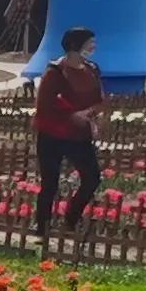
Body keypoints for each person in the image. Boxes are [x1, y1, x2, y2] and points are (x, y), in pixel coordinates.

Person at [33, 26, 104, 233]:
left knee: (92, 178)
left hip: (79, 136)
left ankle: (70, 220)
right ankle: (42, 226)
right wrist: (72, 115)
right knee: (50, 182)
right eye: (89, 43)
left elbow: (99, 99)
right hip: (52, 134)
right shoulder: (55, 72)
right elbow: (45, 104)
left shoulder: (92, 70)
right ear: (75, 45)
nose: (93, 47)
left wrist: (92, 116)